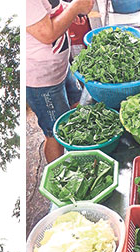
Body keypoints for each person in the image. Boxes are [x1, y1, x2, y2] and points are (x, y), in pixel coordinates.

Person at [26, 0, 95, 163]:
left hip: (61, 68)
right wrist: (75, 7)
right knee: (56, 133)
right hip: (42, 81)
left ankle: (81, 160)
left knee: (78, 108)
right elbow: (47, 34)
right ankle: (59, 177)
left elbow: (51, 8)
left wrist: (69, 11)